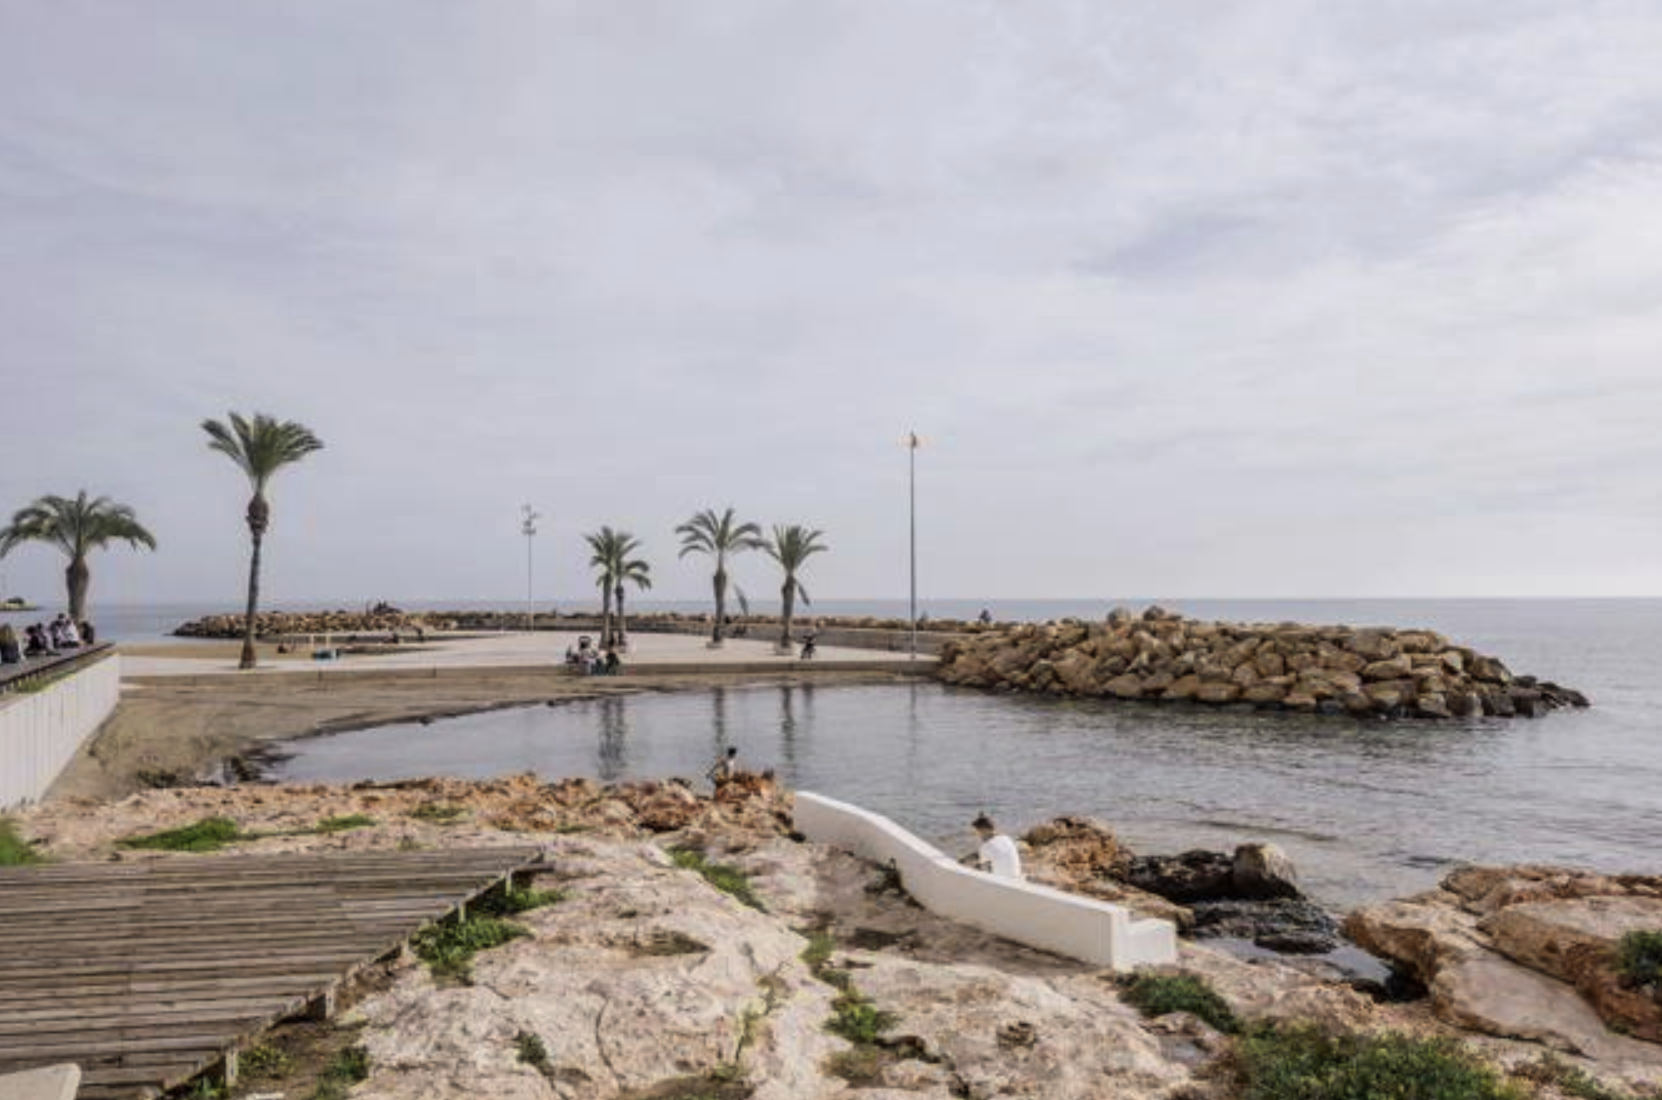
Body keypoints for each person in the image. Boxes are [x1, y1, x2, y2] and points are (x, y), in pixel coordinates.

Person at [972, 813, 1023, 880]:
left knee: (977, 869)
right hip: (1017, 879)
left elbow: (978, 863)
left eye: (978, 832)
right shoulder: (1007, 838)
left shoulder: (987, 846)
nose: (978, 836)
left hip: (1002, 884)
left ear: (984, 830)